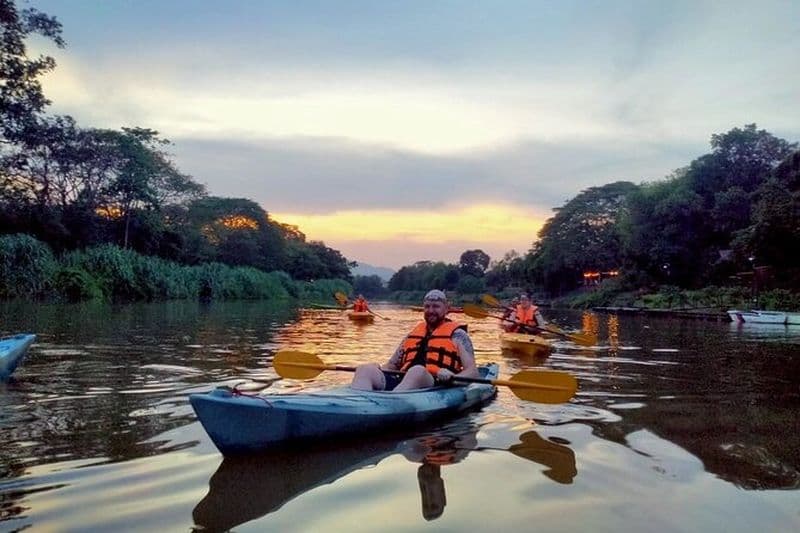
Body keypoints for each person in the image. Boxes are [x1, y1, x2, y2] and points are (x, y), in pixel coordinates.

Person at [351, 289, 479, 391]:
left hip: (435, 384)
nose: (431, 311)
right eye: (427, 307)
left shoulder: (458, 335)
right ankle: (357, 406)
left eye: (436, 307)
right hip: (403, 381)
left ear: (446, 309)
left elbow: (472, 372)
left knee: (417, 371)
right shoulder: (412, 334)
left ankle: (390, 404)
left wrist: (453, 377)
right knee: (364, 369)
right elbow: (392, 365)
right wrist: (379, 368)